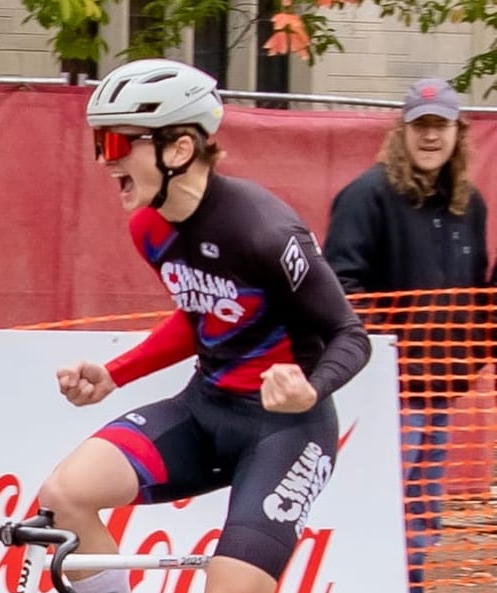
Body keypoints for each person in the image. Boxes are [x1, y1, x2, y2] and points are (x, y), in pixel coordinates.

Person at [37, 59, 372, 593]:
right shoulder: (148, 227)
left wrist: (310, 389)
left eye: (117, 145)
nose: (103, 161)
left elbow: (349, 335)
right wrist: (115, 373)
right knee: (63, 496)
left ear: (179, 149)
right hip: (205, 409)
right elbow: (204, 315)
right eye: (98, 144)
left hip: (286, 431)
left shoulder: (263, 230)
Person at [323, 78, 490, 593]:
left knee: (423, 511)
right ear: (403, 131)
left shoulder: (469, 205)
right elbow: (339, 286)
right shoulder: (366, 197)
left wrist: (468, 358)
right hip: (387, 393)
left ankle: (409, 583)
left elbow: (478, 294)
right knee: (382, 501)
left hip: (442, 388)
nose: (431, 137)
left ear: (458, 134)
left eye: (441, 125)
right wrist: (382, 356)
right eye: (422, 125)